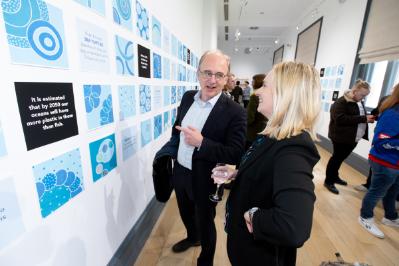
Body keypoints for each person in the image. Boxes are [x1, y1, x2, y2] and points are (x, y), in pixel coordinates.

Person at [212, 61, 321, 265]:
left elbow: (294, 227)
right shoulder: (274, 135)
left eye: (265, 86)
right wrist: (237, 173)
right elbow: (267, 173)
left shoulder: (293, 149)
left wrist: (252, 216)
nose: (256, 93)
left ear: (286, 94)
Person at [158, 50, 246, 266]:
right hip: (180, 171)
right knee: (185, 212)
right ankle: (191, 237)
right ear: (197, 73)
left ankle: (205, 260)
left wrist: (202, 143)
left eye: (219, 74)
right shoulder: (188, 97)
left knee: (206, 223)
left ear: (226, 79)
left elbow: (235, 152)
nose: (212, 80)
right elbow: (177, 129)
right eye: (207, 72)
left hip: (205, 179)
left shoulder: (235, 111)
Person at [358, 83, 399, 239]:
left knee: (393, 191)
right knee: (376, 192)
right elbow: (381, 143)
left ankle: (390, 217)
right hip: (384, 162)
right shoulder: (392, 114)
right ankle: (365, 217)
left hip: (395, 163)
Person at [324, 80, 375, 194]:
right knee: (336, 159)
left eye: (365, 96)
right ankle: (329, 181)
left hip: (353, 138)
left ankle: (335, 177)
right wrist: (363, 119)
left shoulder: (358, 101)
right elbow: (340, 119)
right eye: (362, 95)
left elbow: (357, 115)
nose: (363, 98)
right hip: (341, 137)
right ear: (355, 91)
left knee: (340, 159)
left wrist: (367, 118)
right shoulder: (341, 102)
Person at [245, 74, 268, 150]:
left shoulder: (255, 96)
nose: (251, 82)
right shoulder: (268, 95)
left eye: (253, 81)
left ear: (258, 82)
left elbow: (249, 117)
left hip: (252, 132)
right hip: (264, 130)